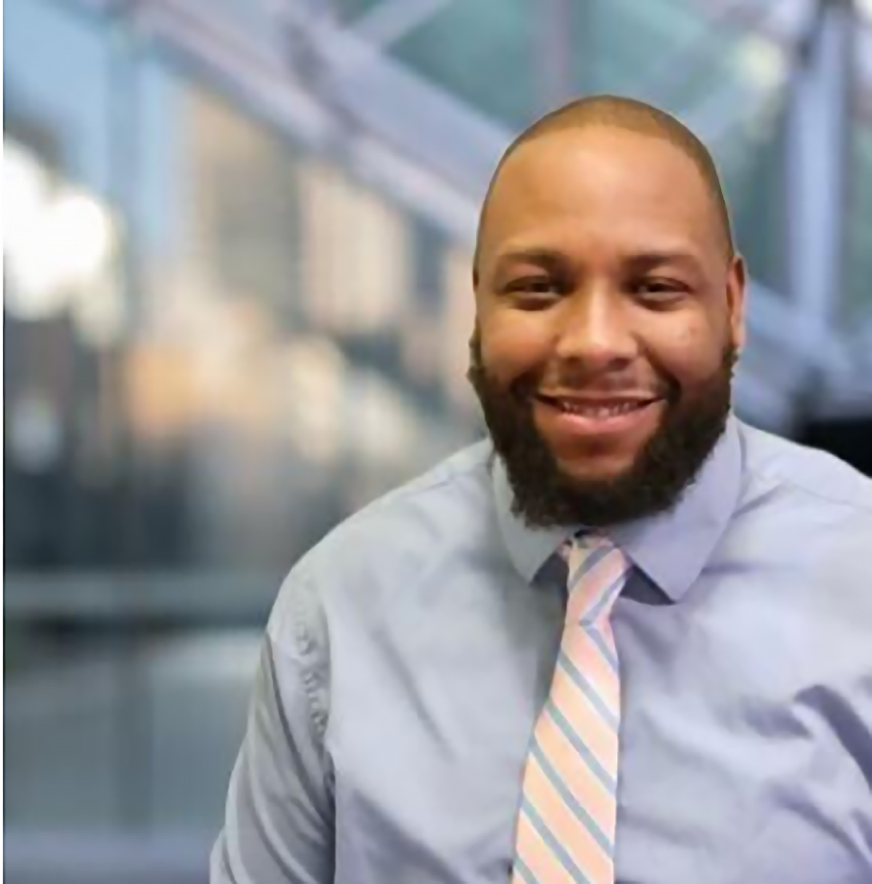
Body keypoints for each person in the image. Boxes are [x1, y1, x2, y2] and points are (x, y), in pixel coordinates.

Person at [211, 95, 872, 884]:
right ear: (479, 304)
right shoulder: (337, 610)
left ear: (731, 306)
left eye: (655, 288)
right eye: (537, 289)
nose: (594, 342)